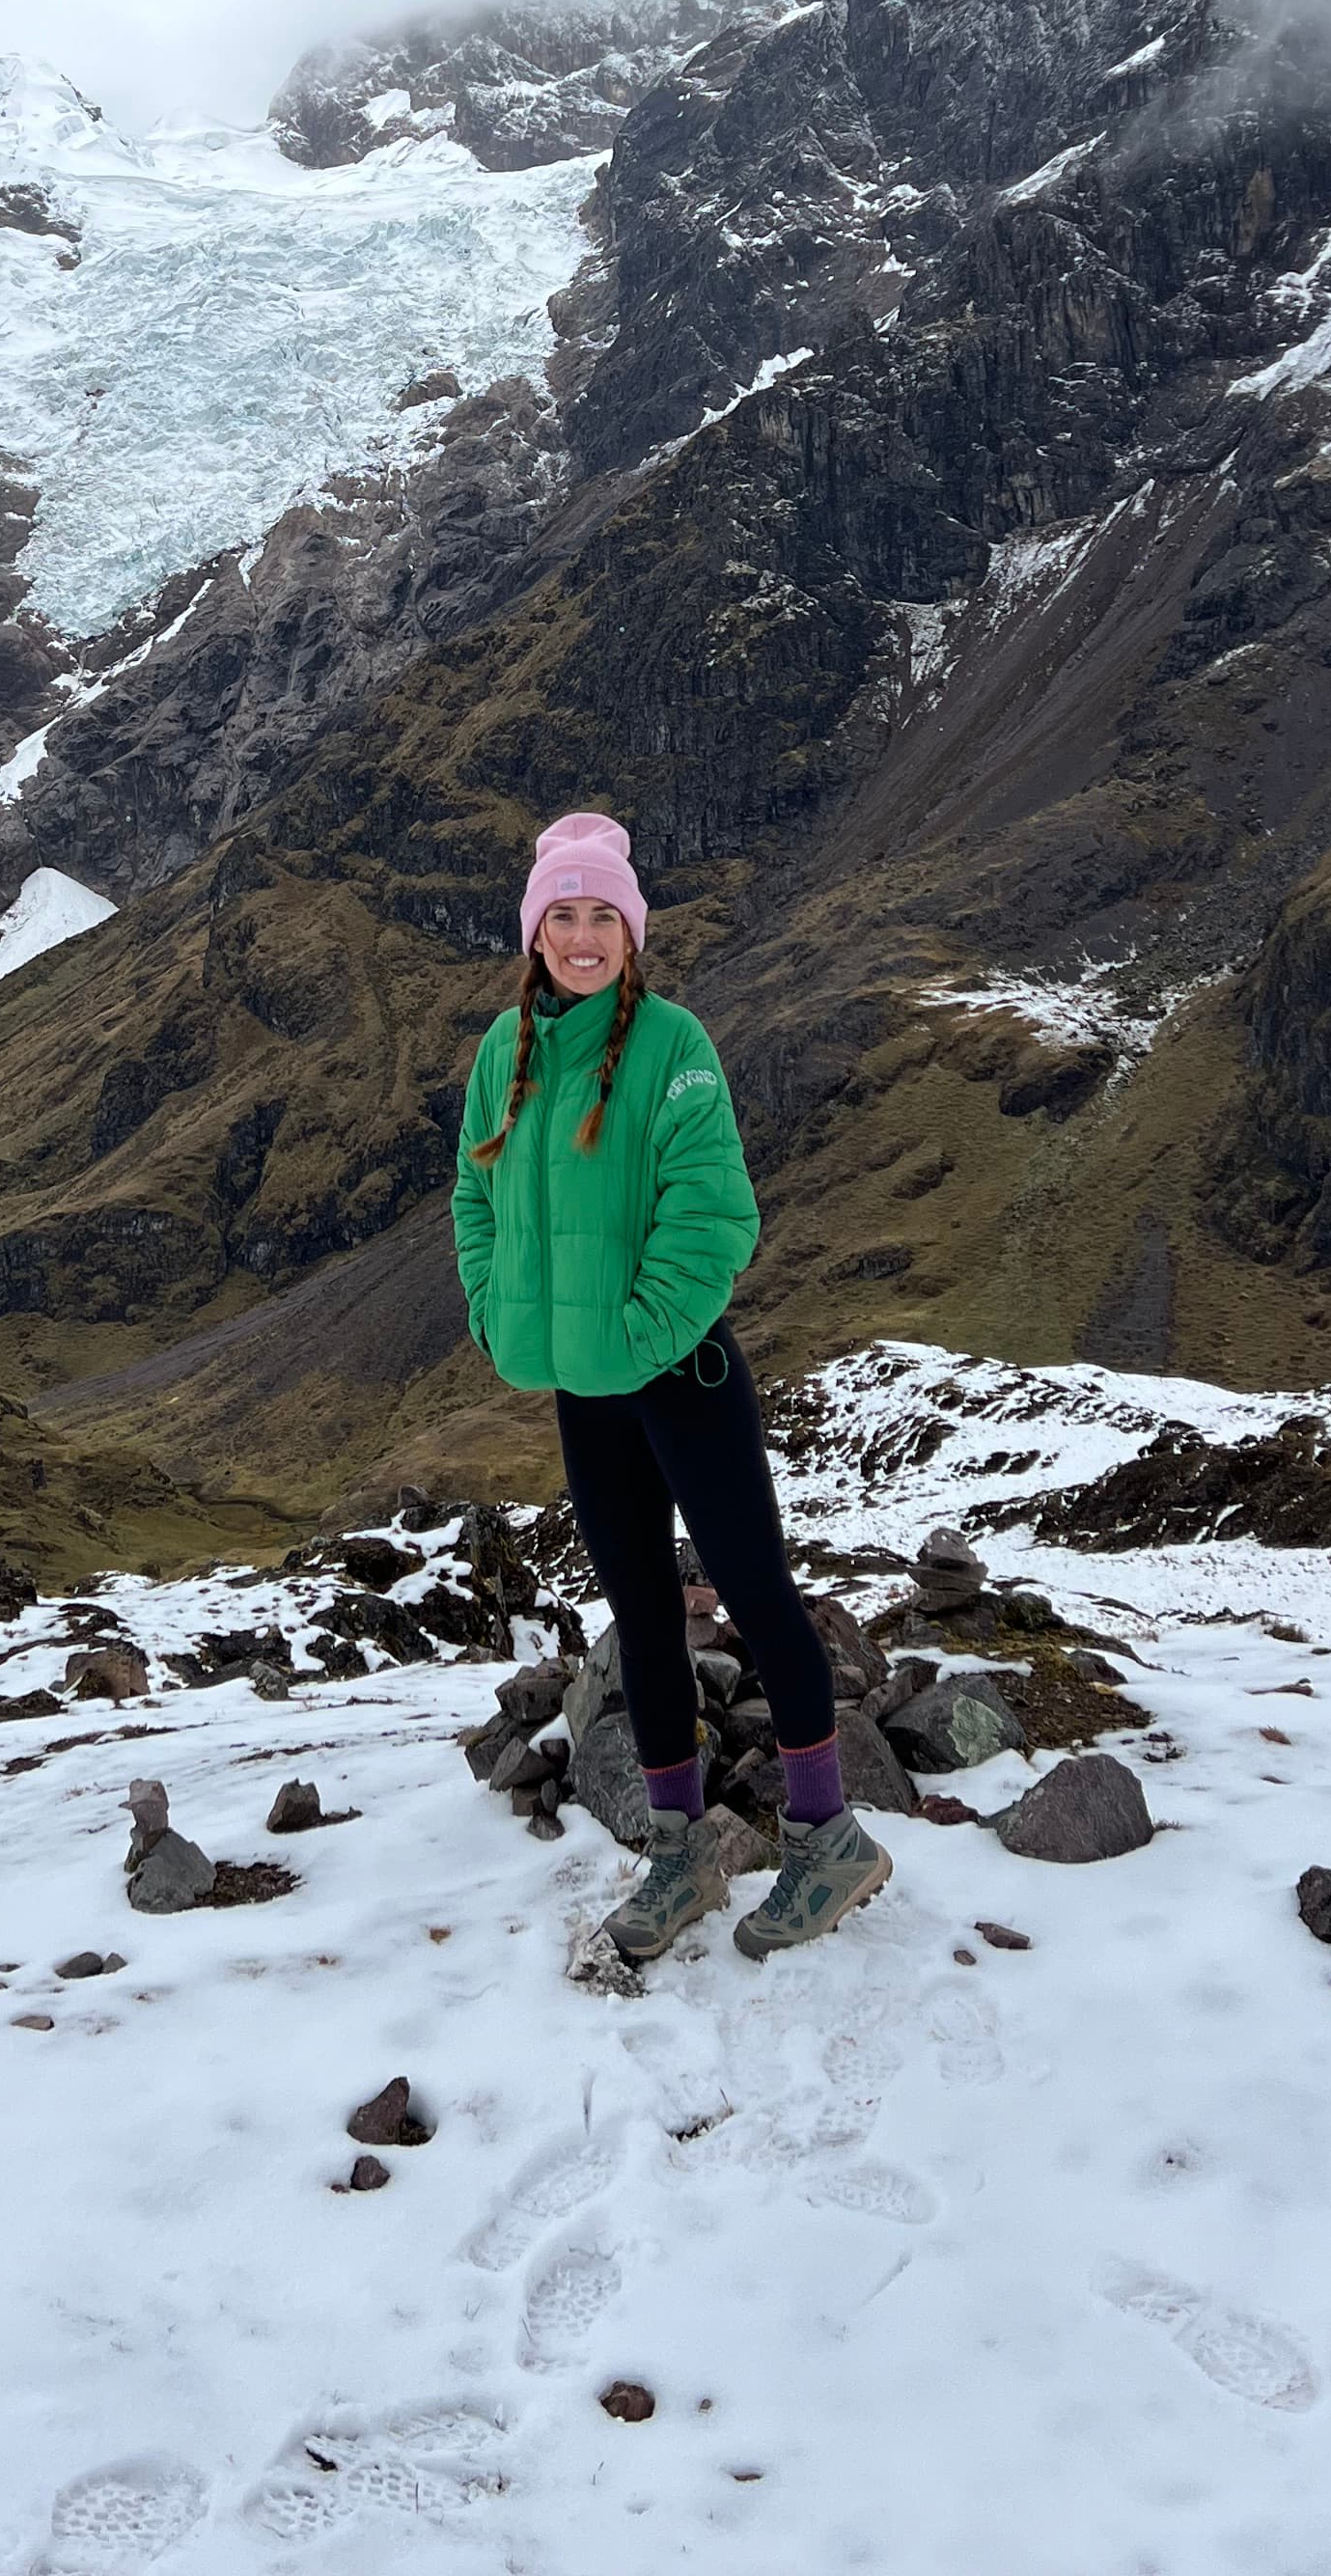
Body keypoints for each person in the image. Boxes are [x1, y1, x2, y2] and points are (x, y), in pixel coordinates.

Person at [448, 811, 889, 1963]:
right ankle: (682, 1851)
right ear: (535, 930)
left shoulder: (675, 1045)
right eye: (563, 914)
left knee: (753, 1590)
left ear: (631, 933)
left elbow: (714, 1215)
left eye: (604, 916)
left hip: (679, 1375)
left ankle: (827, 1833)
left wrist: (635, 1336)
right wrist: (505, 1321)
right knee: (641, 1615)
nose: (583, 937)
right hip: (580, 1389)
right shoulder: (508, 1051)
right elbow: (473, 1202)